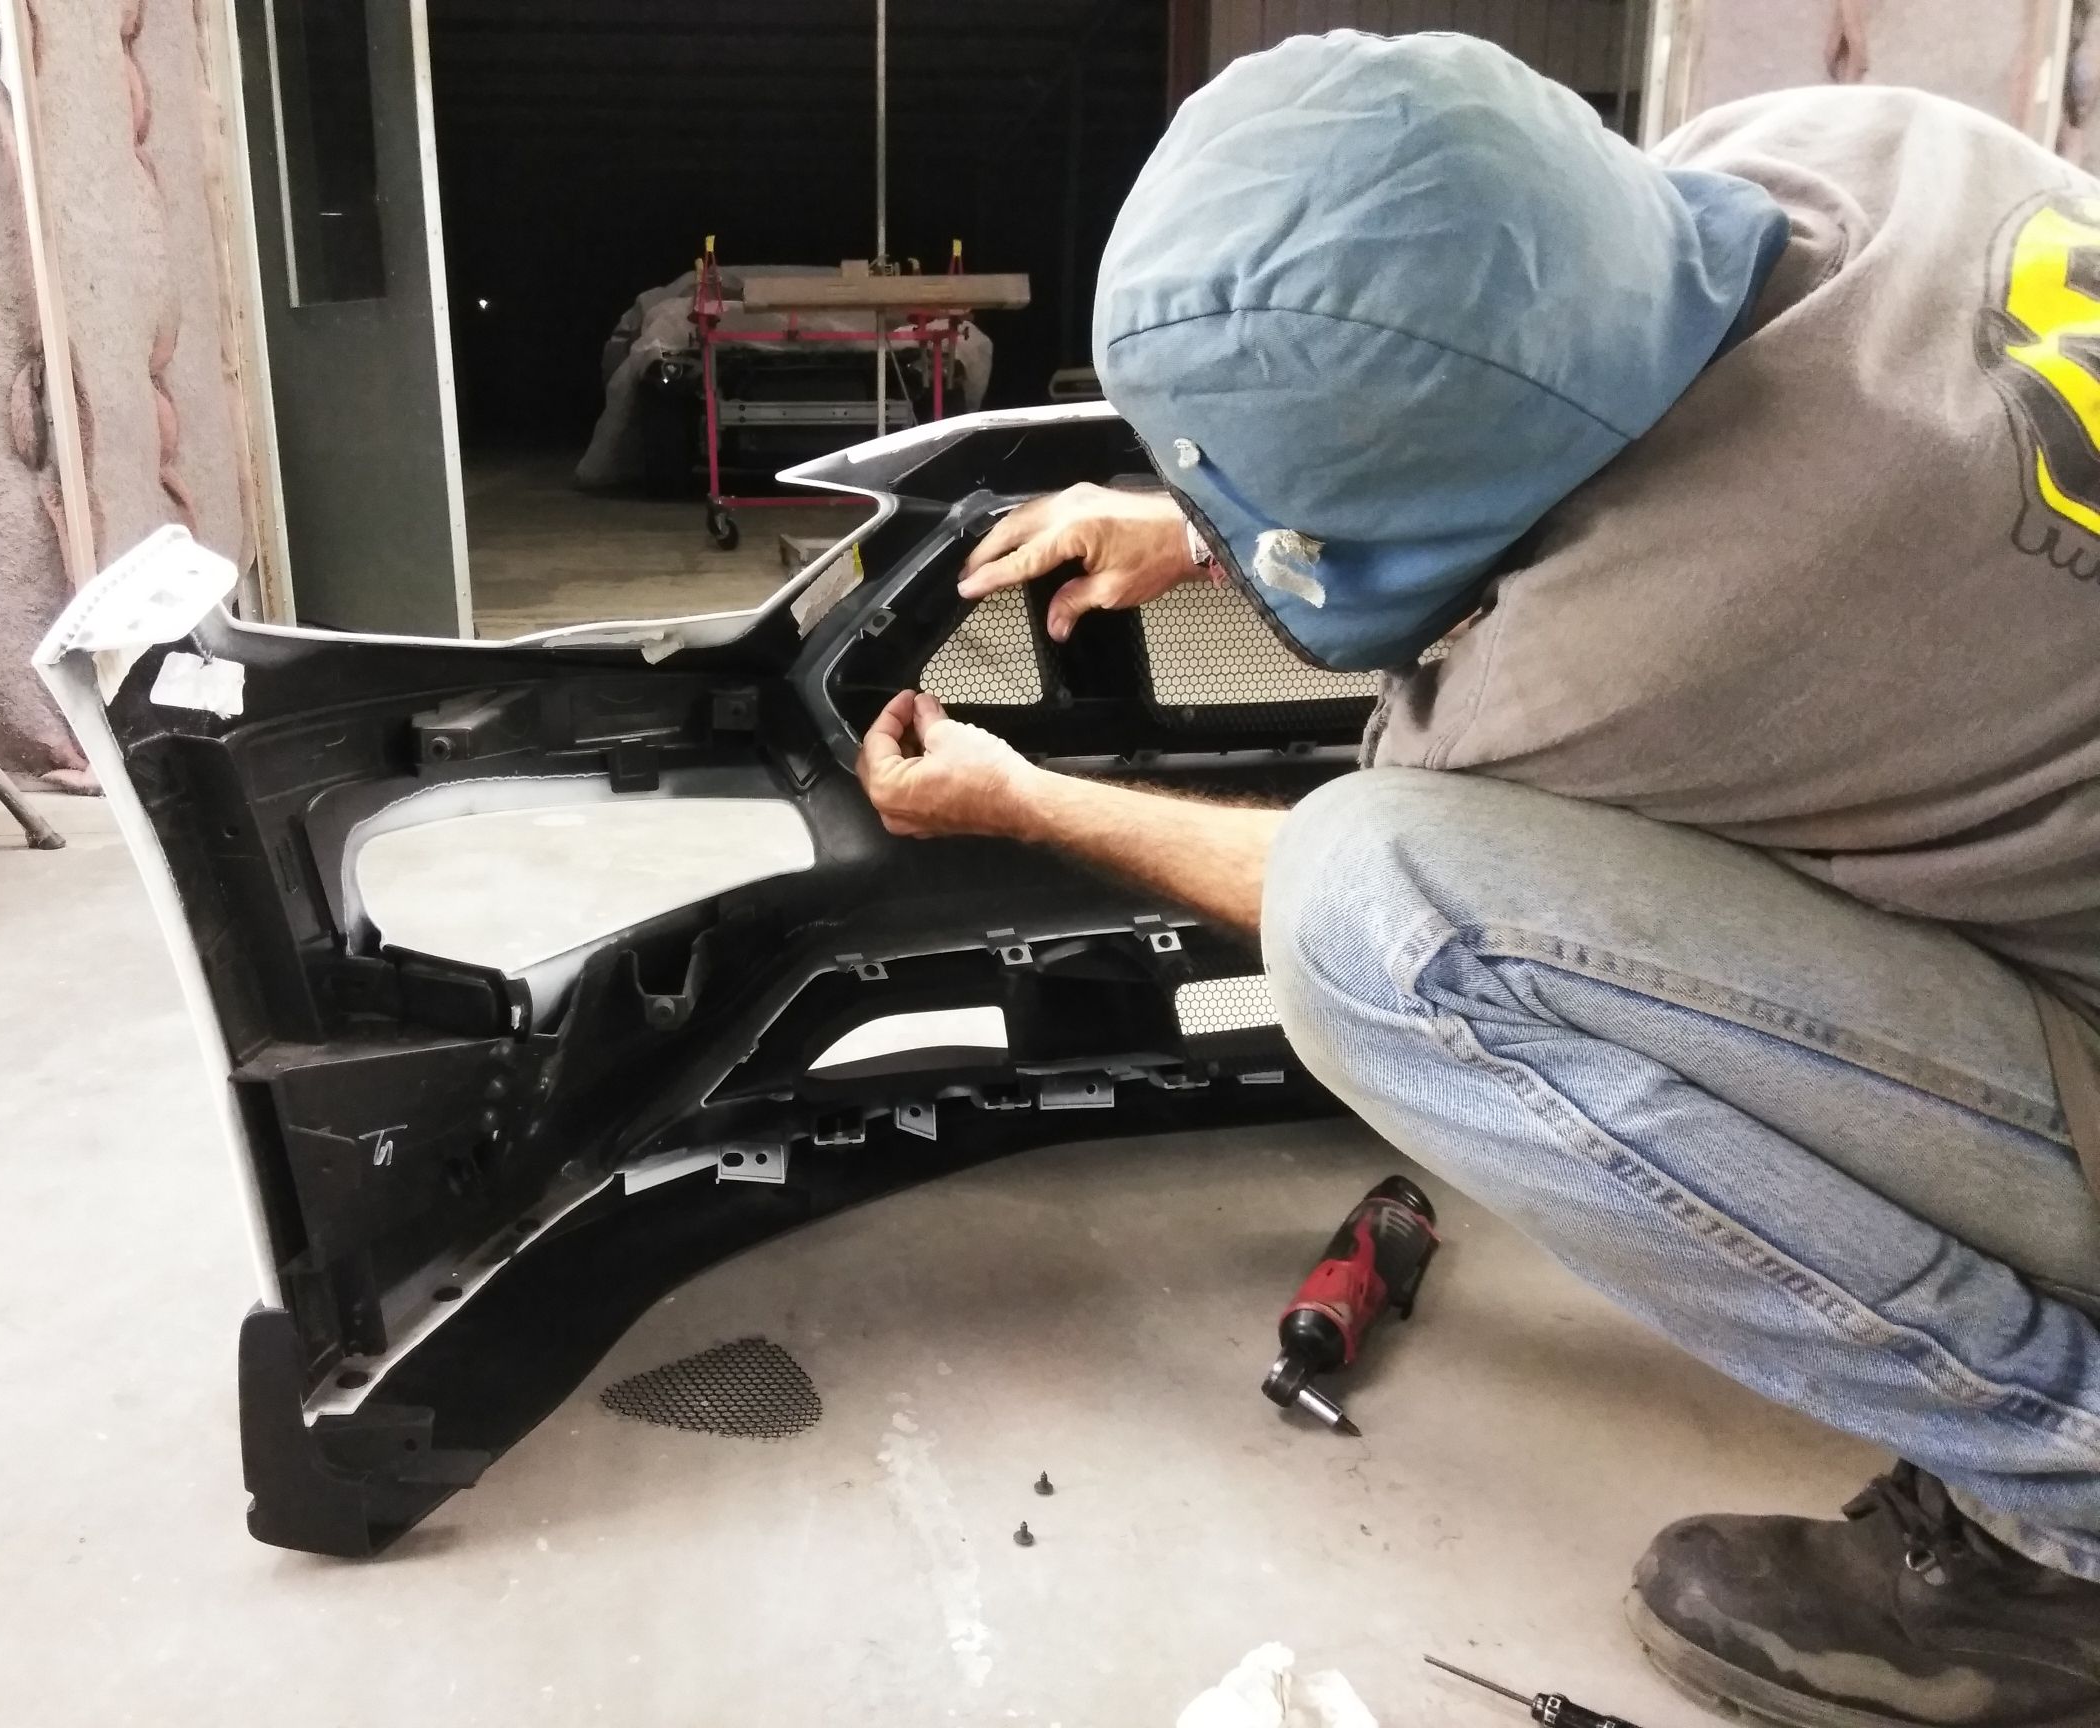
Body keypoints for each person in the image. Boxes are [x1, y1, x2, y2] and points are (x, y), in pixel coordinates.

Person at [855, 31, 2100, 1728]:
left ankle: (2067, 1504)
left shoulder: (1631, 658)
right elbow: (1558, 351)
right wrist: (1220, 512)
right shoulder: (1849, 143)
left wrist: (1030, 800)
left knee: (1379, 928)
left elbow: (1354, 879)